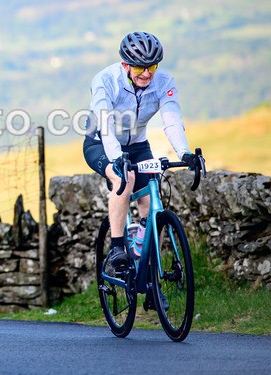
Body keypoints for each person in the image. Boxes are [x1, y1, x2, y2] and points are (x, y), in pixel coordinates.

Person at [83, 32, 198, 276]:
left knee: (151, 195)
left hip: (137, 144)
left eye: (152, 67)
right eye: (139, 68)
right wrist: (117, 159)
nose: (146, 74)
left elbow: (172, 120)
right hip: (101, 143)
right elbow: (105, 125)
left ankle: (149, 271)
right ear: (125, 64)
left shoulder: (164, 82)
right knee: (124, 179)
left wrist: (185, 153)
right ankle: (116, 248)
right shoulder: (106, 80)